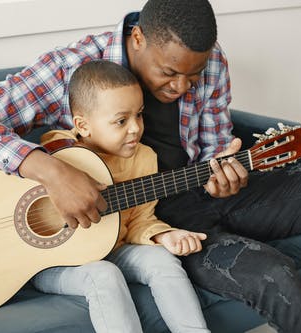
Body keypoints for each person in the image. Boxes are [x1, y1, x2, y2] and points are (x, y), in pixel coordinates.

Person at [0, 0, 301, 332]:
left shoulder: (210, 62)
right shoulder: (74, 68)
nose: (182, 87)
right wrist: (50, 171)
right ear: (138, 39)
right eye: (169, 73)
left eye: (193, 76)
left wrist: (226, 172)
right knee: (273, 273)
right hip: (153, 223)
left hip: (203, 191)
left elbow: (214, 150)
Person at [30, 60, 210, 332]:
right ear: (83, 125)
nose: (136, 128)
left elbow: (139, 220)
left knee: (162, 259)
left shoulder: (144, 159)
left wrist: (163, 235)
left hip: (113, 248)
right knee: (104, 275)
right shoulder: (59, 152)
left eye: (139, 115)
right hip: (50, 261)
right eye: (121, 121)